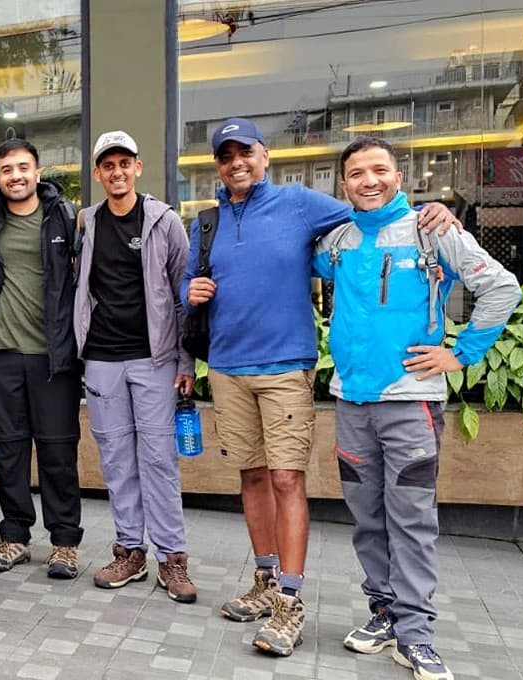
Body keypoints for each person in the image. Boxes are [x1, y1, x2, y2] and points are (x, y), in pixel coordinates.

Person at [180, 118, 459, 656]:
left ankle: (290, 600)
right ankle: (264, 582)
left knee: (286, 479)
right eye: (226, 155)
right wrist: (192, 291)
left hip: (286, 365)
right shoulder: (206, 223)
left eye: (247, 152)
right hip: (229, 367)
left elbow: (373, 210)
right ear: (218, 164)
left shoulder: (301, 204)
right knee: (252, 476)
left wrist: (431, 210)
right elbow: (191, 288)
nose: (237, 162)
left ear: (265, 157)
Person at [313, 137, 519, 680]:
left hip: (411, 403)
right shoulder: (336, 242)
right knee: (366, 519)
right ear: (344, 185)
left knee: (411, 521)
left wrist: (461, 353)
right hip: (352, 402)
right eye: (356, 173)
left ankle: (417, 635)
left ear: (399, 177)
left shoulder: (434, 231)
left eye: (379, 169)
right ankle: (383, 613)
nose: (369, 180)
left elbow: (502, 288)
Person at [73, 131, 196, 600]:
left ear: (138, 168)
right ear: (99, 173)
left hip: (153, 359)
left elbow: (183, 296)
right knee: (117, 458)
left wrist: (185, 359)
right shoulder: (89, 223)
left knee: (159, 459)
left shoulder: (163, 221)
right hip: (102, 359)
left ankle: (173, 557)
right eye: (108, 165)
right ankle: (130, 550)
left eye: (125, 163)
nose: (117, 172)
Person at [0, 139, 82, 579]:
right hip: (2, 353)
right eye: (6, 169)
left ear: (37, 172)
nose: (15, 176)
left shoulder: (65, 217)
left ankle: (65, 542)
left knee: (58, 453)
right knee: (10, 450)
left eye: (23, 167)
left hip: (53, 356)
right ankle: (15, 534)